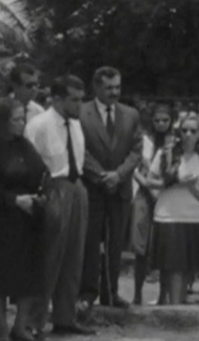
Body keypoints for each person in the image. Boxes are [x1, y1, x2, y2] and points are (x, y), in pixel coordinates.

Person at [0, 98, 47, 341]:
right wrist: (14, 200)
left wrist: (40, 195)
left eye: (22, 118)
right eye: (16, 119)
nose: (21, 123)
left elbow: (41, 170)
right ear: (1, 123)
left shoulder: (25, 145)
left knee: (27, 274)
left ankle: (21, 326)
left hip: (26, 220)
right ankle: (2, 328)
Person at [26, 75, 95, 336]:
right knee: (49, 256)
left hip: (76, 187)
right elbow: (30, 160)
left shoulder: (75, 124)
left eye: (81, 99)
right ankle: (34, 320)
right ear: (57, 99)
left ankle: (65, 317)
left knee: (73, 255)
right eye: (74, 100)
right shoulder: (39, 125)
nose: (79, 105)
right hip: (53, 187)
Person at [78, 66, 143, 315]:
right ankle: (87, 292)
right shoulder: (81, 113)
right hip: (92, 187)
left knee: (116, 243)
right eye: (109, 88)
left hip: (120, 188)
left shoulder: (131, 114)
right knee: (90, 241)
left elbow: (136, 150)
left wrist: (119, 174)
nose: (114, 92)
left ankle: (110, 291)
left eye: (117, 87)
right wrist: (100, 175)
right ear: (96, 88)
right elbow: (78, 149)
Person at [149, 114, 199, 304]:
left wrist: (192, 187)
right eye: (184, 130)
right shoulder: (166, 153)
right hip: (168, 215)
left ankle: (176, 304)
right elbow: (150, 181)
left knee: (186, 268)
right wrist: (176, 182)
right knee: (173, 266)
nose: (188, 134)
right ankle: (174, 308)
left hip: (192, 216)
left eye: (193, 131)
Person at [131, 103, 174, 305]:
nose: (161, 124)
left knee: (165, 248)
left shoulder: (175, 143)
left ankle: (163, 296)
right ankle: (137, 294)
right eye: (157, 120)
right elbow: (135, 167)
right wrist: (146, 185)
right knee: (140, 247)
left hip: (166, 195)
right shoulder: (144, 142)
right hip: (143, 194)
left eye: (165, 120)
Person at [0, 63, 45, 139]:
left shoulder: (39, 112)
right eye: (29, 86)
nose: (34, 90)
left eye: (36, 85)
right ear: (15, 86)